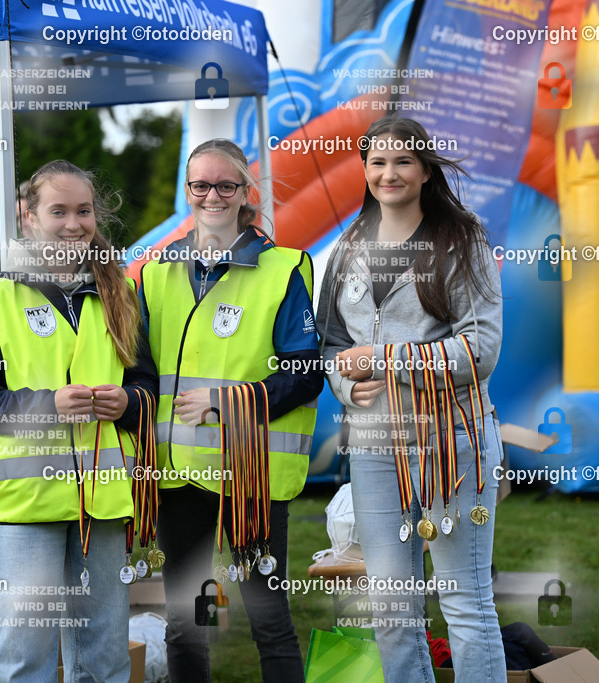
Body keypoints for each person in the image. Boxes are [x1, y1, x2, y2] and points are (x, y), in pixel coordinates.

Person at [0, 160, 157, 682]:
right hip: (28, 507)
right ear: (28, 218)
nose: (74, 224)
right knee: (23, 661)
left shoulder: (122, 297)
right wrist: (47, 406)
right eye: (58, 211)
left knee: (105, 659)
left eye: (84, 211)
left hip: (103, 505)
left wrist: (128, 404)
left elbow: (147, 387)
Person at [317, 117, 505, 682]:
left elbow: (481, 351)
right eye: (376, 162)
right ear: (365, 170)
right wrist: (349, 384)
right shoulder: (349, 245)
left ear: (424, 170)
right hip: (375, 447)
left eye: (402, 161)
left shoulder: (462, 238)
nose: (388, 173)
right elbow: (333, 346)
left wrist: (386, 360)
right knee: (393, 611)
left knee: (465, 605)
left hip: (453, 443)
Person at [138, 139, 322, 682]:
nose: (212, 195)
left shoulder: (284, 269)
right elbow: (142, 372)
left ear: (246, 193)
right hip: (176, 474)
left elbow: (307, 373)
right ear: (187, 192)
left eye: (225, 185)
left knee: (269, 620)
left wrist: (228, 404)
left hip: (250, 473)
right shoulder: (155, 274)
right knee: (184, 623)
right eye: (201, 185)